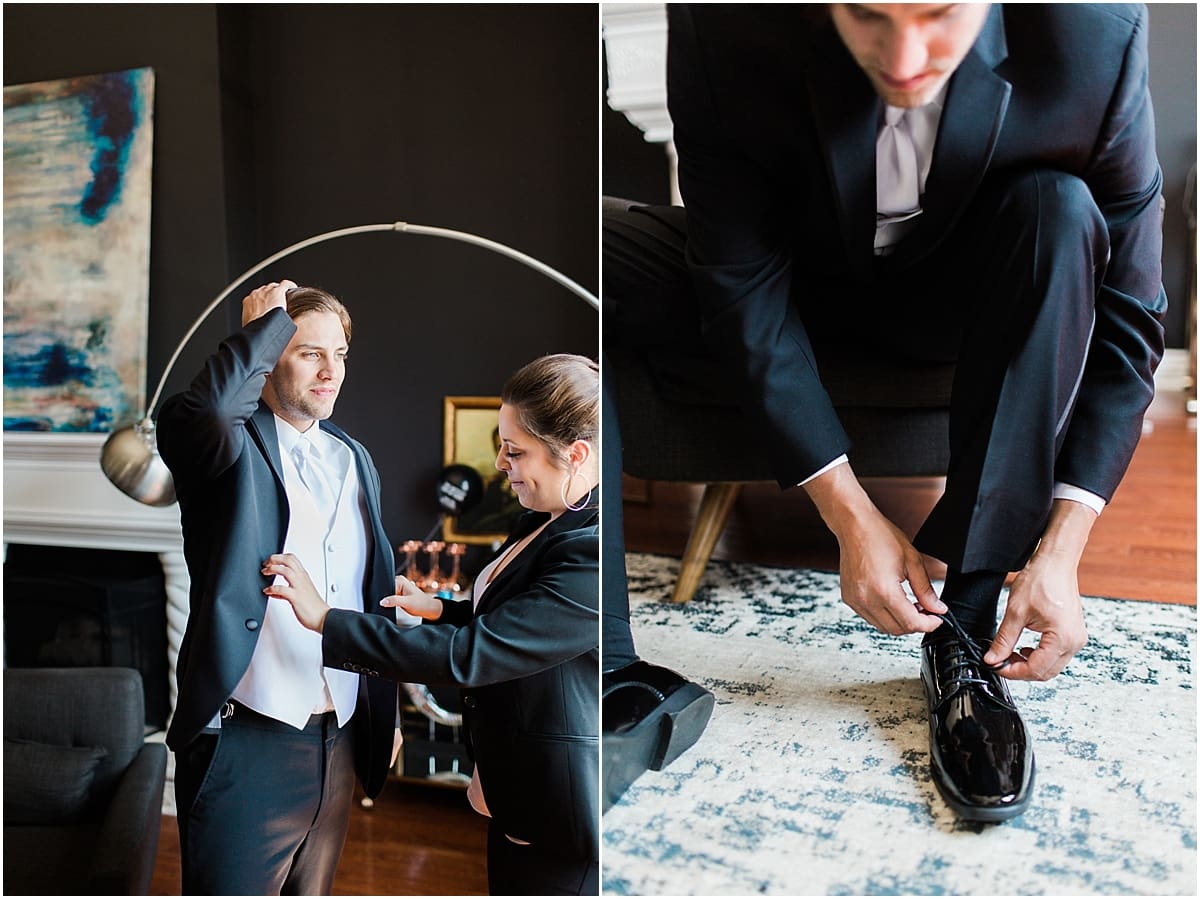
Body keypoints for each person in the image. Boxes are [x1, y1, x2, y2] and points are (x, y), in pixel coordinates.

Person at [602, 3, 1166, 823]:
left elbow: (1131, 312)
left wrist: (1063, 543)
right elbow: (740, 283)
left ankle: (964, 633)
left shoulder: (1093, 35)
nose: (903, 59)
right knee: (585, 239)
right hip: (796, 279)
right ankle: (603, 667)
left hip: (963, 300)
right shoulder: (721, 24)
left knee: (1064, 209)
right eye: (867, 14)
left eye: (938, 14)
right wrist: (849, 513)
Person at [266, 353, 600, 895]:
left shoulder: (592, 551)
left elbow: (472, 656)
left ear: (576, 454)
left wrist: (326, 620)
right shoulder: (548, 518)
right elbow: (523, 619)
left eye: (515, 451)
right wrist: (441, 609)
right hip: (514, 784)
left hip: (555, 802)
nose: (500, 463)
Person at [157, 281, 400, 893]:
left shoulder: (353, 457)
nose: (330, 372)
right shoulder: (225, 447)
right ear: (267, 359)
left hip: (338, 739)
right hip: (247, 740)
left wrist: (383, 709)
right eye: (309, 353)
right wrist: (260, 330)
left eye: (339, 354)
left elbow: (363, 593)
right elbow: (211, 412)